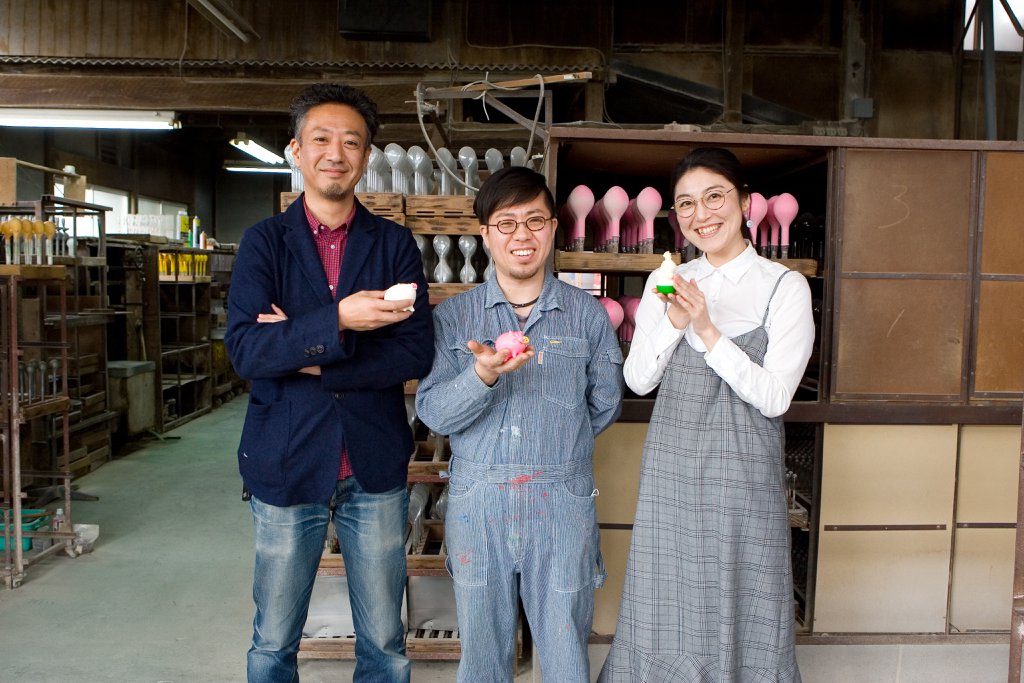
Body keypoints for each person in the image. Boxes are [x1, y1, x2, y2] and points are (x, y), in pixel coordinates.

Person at [225, 83, 433, 683]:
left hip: (374, 465)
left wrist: (306, 349)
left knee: (385, 642)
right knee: (273, 640)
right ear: (296, 149)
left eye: (351, 142)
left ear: (366, 156)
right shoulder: (265, 242)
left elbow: (414, 351)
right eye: (321, 138)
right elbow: (246, 350)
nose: (335, 153)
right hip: (287, 459)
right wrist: (341, 320)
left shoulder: (393, 244)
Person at [599, 147, 813, 682]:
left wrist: (708, 330)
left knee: (747, 586)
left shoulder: (783, 286)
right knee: (665, 593)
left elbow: (775, 397)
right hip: (672, 468)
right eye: (687, 204)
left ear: (745, 202)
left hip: (744, 473)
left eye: (715, 196)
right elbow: (638, 380)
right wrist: (675, 321)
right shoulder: (668, 280)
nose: (702, 214)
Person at [415, 166, 624, 682]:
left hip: (562, 503)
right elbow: (434, 412)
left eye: (534, 220)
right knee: (483, 654)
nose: (521, 235)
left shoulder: (587, 315)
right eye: (506, 223)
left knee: (565, 648)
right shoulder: (454, 318)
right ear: (485, 235)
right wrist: (481, 376)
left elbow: (605, 402)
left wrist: (557, 447)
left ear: (553, 228)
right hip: (478, 503)